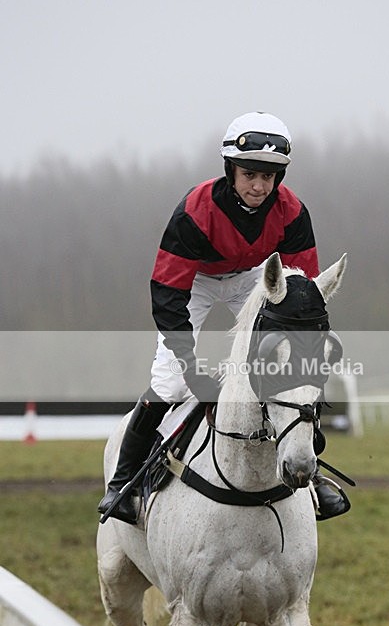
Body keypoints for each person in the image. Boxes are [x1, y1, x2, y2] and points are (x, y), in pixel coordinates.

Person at [98, 111, 350, 525]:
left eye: (269, 177)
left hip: (255, 277)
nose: (259, 186)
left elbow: (301, 296)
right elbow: (167, 293)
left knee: (297, 367)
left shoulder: (291, 212)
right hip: (195, 281)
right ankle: (122, 484)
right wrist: (192, 367)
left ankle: (313, 472)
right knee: (170, 381)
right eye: (250, 174)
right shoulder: (195, 211)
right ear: (230, 170)